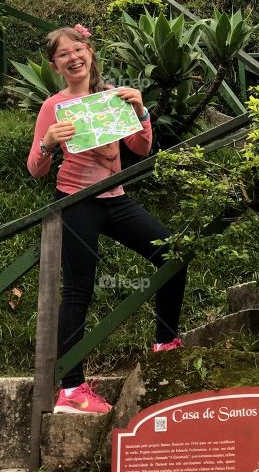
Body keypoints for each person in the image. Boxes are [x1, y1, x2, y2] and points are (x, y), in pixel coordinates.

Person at [27, 24, 186, 416]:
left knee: (172, 255)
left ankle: (165, 342)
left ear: (90, 52)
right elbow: (35, 169)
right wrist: (48, 143)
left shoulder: (110, 97)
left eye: (78, 49)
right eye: (64, 54)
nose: (74, 57)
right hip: (76, 201)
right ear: (55, 65)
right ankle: (72, 389)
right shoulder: (53, 106)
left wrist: (141, 111)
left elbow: (141, 148)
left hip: (116, 198)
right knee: (79, 289)